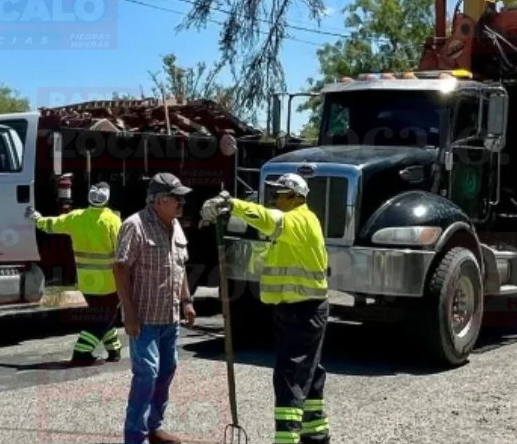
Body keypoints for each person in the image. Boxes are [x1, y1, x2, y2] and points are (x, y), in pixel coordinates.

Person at [202, 173, 330, 444]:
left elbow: (267, 218)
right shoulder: (296, 223)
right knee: (309, 368)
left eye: (280, 194)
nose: (274, 198)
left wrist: (231, 204)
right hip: (298, 308)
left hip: (303, 310)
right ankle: (315, 432)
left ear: (296, 197)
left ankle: (286, 438)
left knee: (290, 373)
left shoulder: (299, 220)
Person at [114, 172, 197, 444]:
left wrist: (186, 301)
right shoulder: (135, 226)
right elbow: (120, 268)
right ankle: (135, 436)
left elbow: (179, 267)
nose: (182, 205)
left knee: (166, 371)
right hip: (145, 319)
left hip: (169, 318)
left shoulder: (175, 225)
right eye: (178, 199)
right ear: (160, 200)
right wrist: (129, 312)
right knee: (146, 374)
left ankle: (154, 427)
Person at [28, 181, 123, 366]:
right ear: (108, 198)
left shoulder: (76, 217)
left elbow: (52, 225)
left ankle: (114, 350)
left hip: (86, 282)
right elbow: (122, 251)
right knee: (104, 318)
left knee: (101, 315)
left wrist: (36, 219)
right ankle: (82, 353)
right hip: (108, 282)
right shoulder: (112, 220)